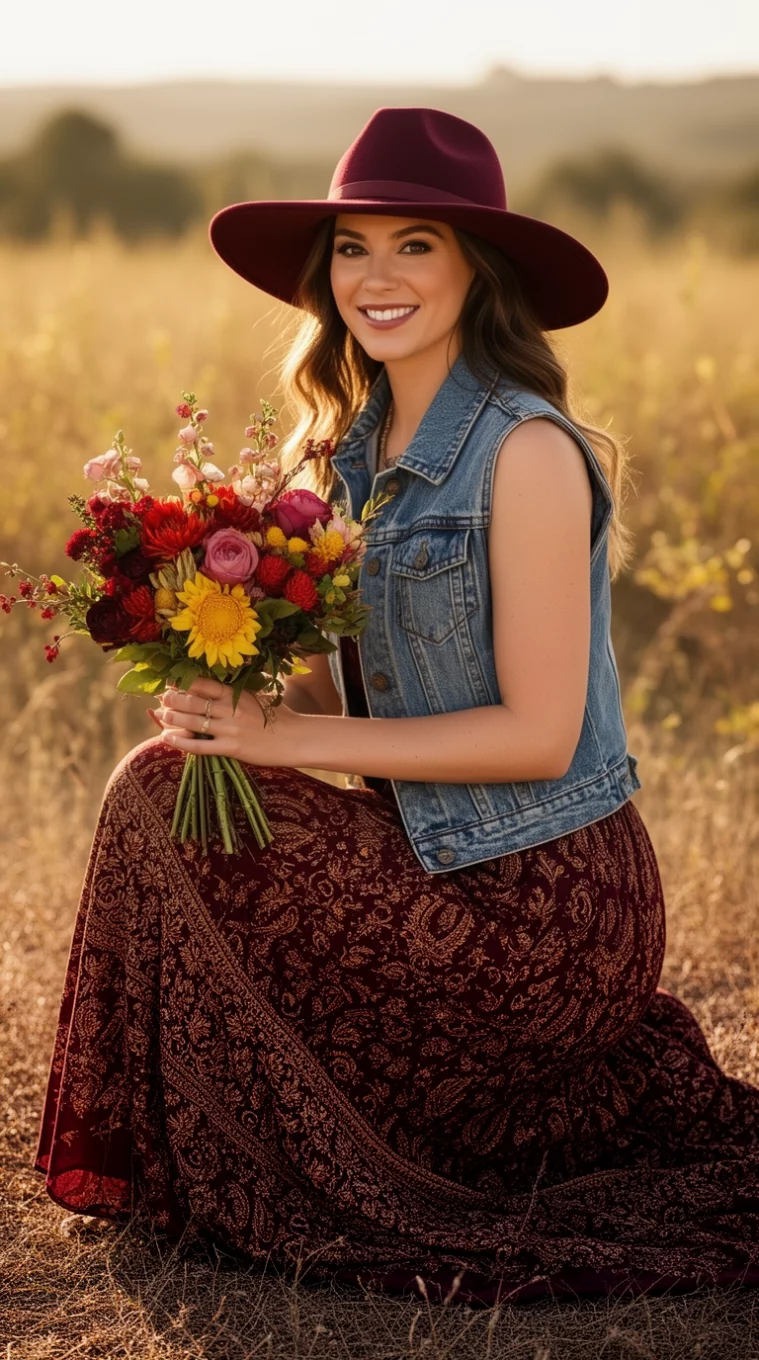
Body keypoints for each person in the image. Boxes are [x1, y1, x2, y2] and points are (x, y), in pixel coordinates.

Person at [35, 107, 759, 1307]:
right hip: (434, 852)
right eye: (354, 246)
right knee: (165, 791)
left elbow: (540, 731)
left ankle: (255, 1159)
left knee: (160, 800)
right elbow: (356, 684)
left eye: (415, 243)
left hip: (546, 897)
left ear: (479, 270)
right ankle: (186, 1159)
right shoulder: (343, 457)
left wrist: (295, 738)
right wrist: (231, 672)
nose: (378, 276)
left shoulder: (524, 452)